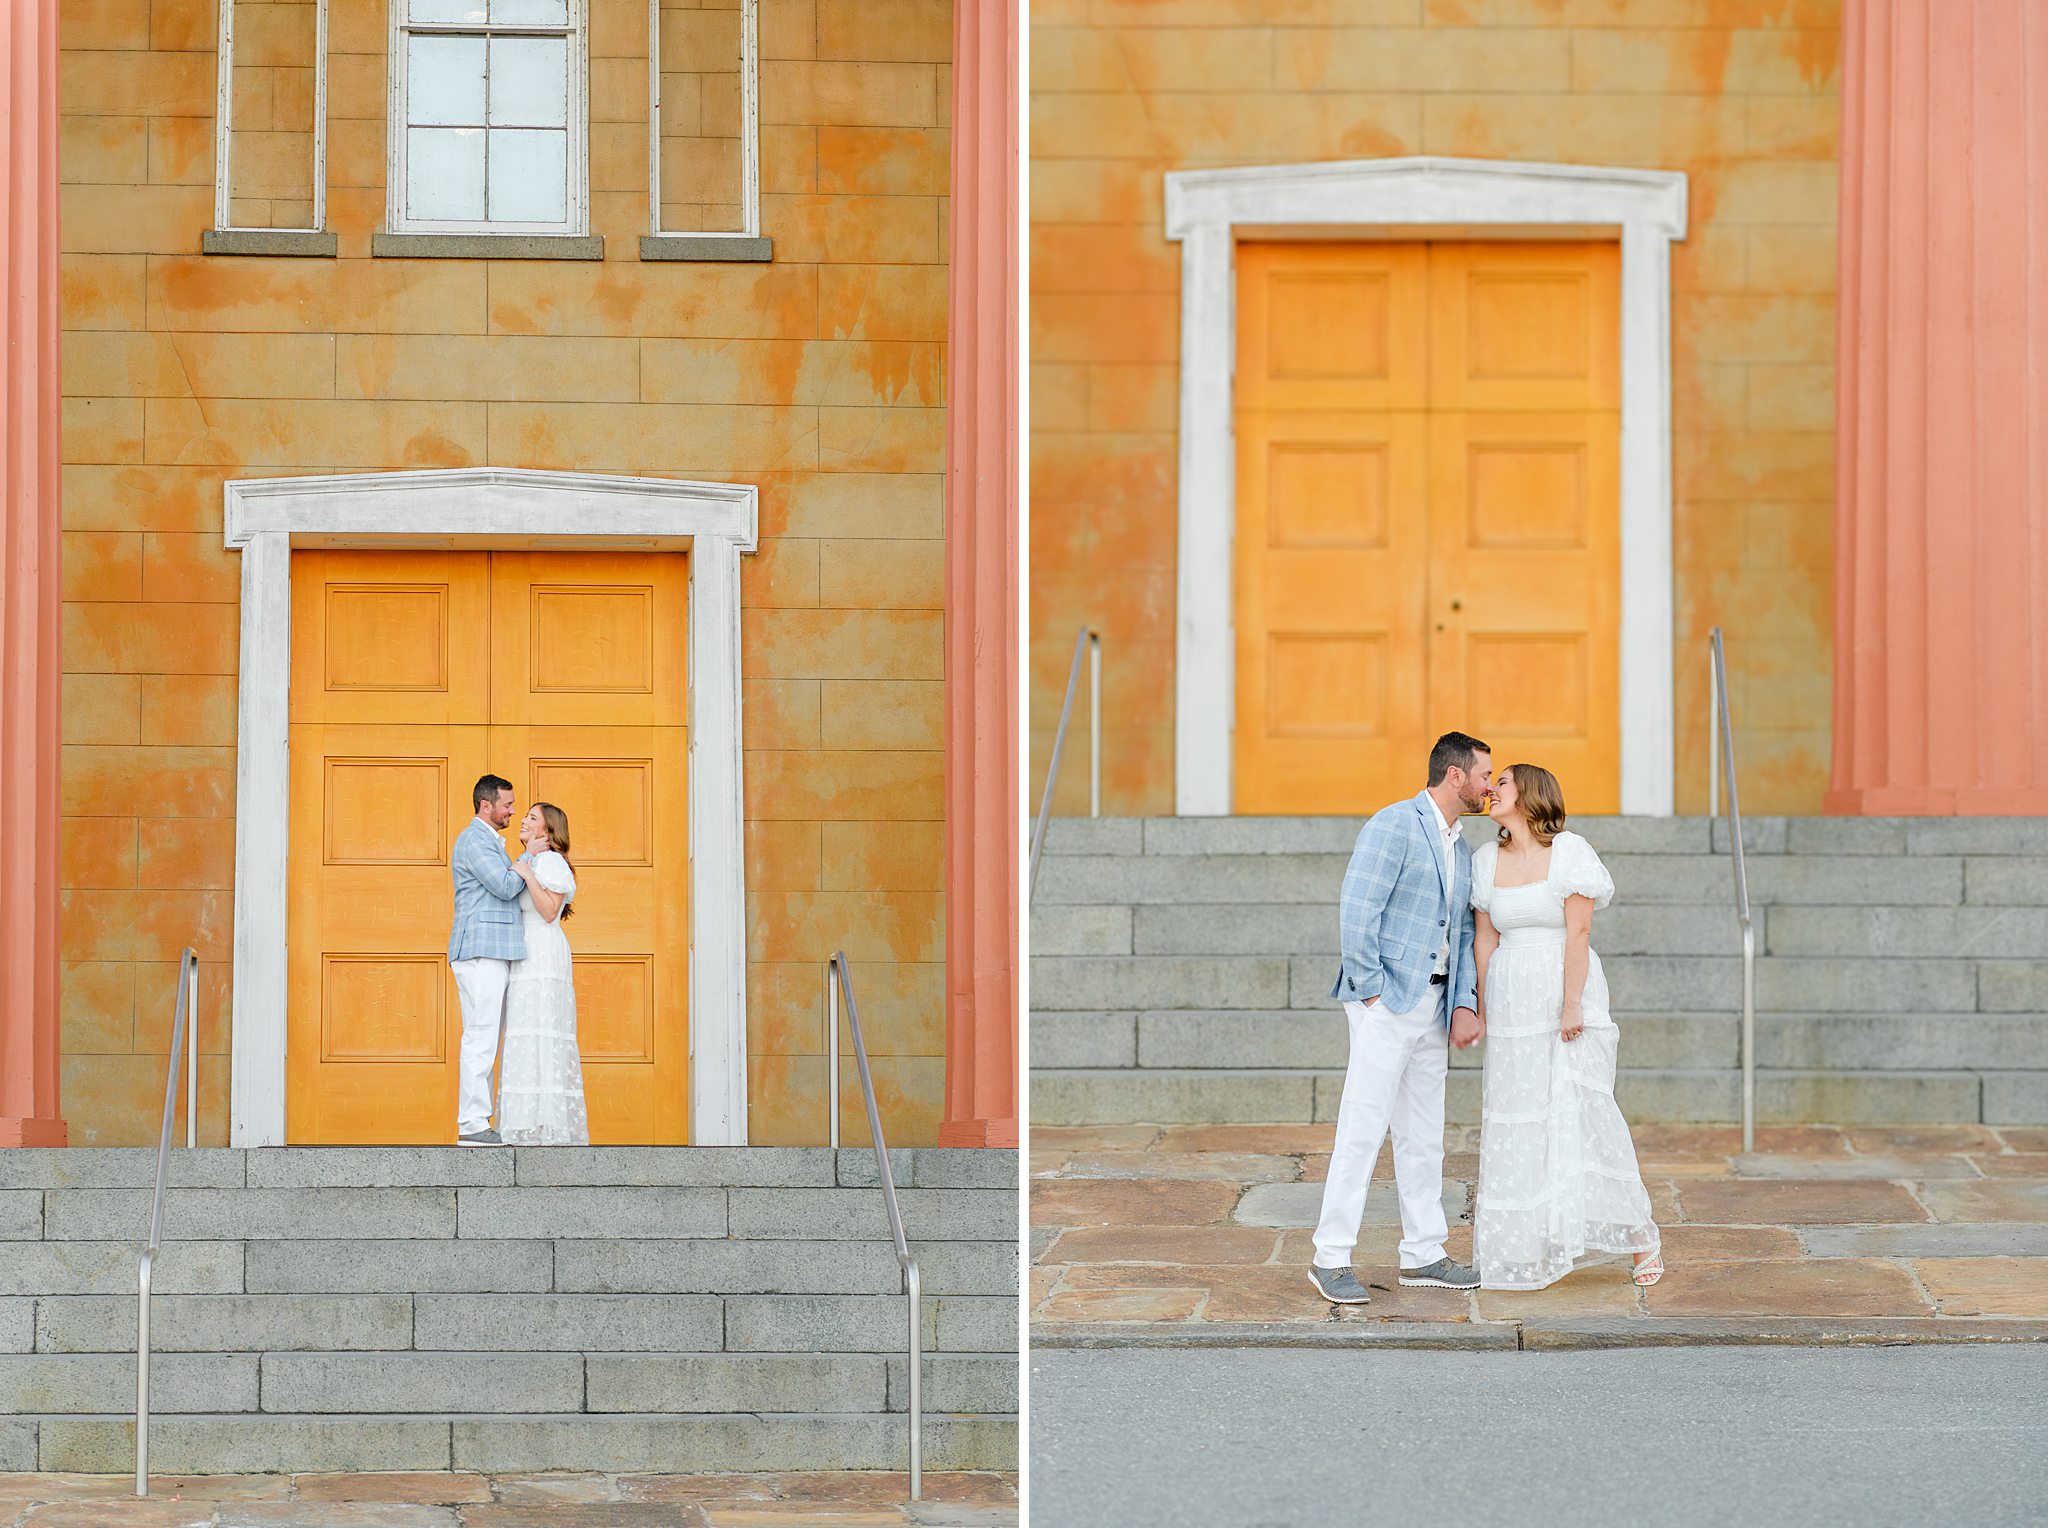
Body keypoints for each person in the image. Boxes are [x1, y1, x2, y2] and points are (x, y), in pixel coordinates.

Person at [1308, 732, 1492, 1304]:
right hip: (1388, 1001)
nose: (1489, 785)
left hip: (1434, 1005)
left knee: (1424, 1134)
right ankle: (1329, 1256)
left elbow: (1463, 931)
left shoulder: (1461, 847)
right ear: (1456, 776)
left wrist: (1462, 1002)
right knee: (1363, 1128)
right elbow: (1358, 906)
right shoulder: (1393, 824)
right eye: (1484, 774)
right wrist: (1371, 992)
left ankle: (1424, 1253)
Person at [1470, 763, 1663, 1290]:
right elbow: (1485, 939)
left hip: (1565, 992)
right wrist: (1483, 1007)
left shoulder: (1570, 852)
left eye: (1502, 783)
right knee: (1521, 1115)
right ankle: (1525, 1243)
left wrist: (1572, 1005)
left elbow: (1578, 932)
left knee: (1583, 1106)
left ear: (1530, 794)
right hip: (1513, 1002)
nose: (1491, 790)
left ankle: (1640, 1236)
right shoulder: (1485, 860)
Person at [497, 801, 590, 1146]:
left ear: (547, 832)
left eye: (532, 818)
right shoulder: (533, 860)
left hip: (543, 953)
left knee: (542, 1028)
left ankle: (547, 1124)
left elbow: (550, 911)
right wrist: (526, 865)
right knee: (527, 1029)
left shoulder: (549, 861)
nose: (522, 820)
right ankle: (528, 1123)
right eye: (525, 815)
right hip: (527, 951)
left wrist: (527, 873)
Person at [448, 774, 525, 1147]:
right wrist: (530, 858)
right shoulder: (475, 841)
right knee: (481, 1036)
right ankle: (472, 1123)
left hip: (491, 951)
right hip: (481, 951)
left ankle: (478, 1121)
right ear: (486, 805)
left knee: (485, 1036)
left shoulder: (488, 841)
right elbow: (506, 886)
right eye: (507, 805)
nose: (512, 811)